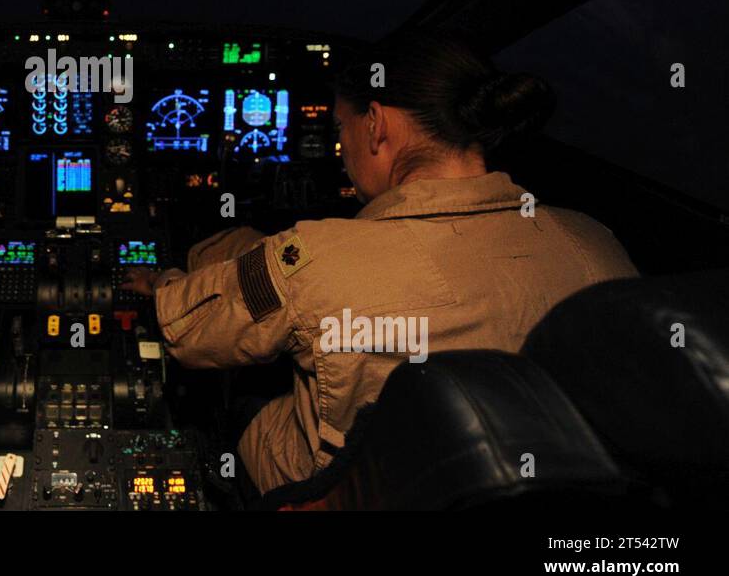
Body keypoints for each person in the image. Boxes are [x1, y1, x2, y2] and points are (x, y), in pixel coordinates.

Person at [123, 32, 638, 495]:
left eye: (342, 128)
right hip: (537, 486)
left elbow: (189, 332)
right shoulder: (594, 242)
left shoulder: (317, 257)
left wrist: (166, 280)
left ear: (377, 125)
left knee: (240, 384)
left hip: (341, 489)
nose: (342, 148)